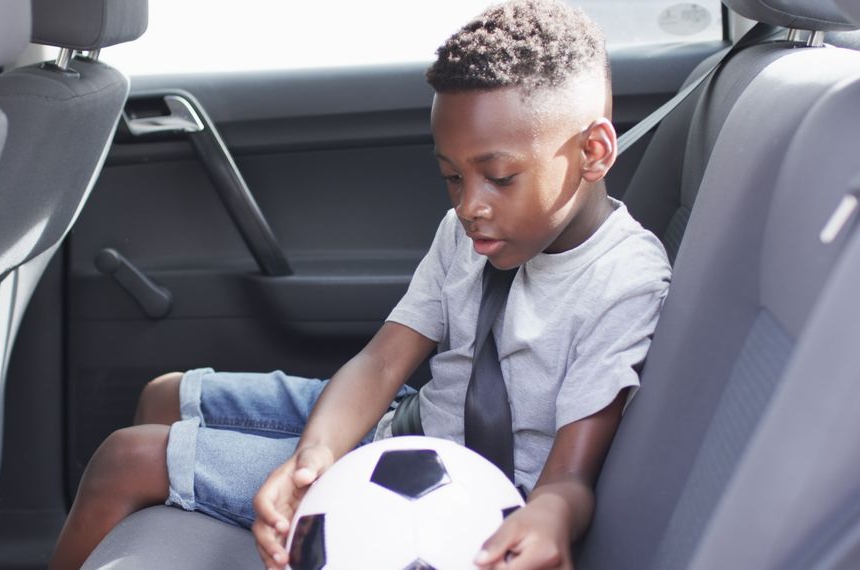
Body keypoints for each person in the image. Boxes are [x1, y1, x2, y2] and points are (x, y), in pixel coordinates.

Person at [49, 1, 671, 568]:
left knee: (125, 460)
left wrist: (550, 516)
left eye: (499, 177)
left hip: (462, 493)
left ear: (593, 151)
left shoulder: (625, 279)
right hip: (408, 427)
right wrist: (312, 459)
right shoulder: (469, 234)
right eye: (452, 177)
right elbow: (380, 364)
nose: (469, 205)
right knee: (166, 394)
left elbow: (568, 478)